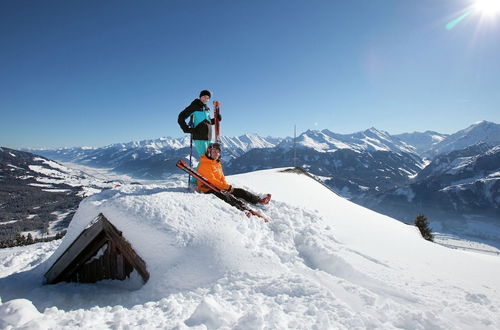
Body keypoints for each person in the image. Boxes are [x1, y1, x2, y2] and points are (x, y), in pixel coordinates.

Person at [197, 142, 272, 206]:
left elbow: (221, 177)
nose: (216, 154)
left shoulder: (216, 163)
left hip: (219, 187)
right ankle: (242, 208)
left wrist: (225, 187)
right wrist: (226, 188)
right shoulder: (205, 164)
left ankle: (257, 200)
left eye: (217, 152)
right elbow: (212, 181)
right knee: (227, 198)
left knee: (240, 191)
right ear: (209, 152)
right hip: (208, 188)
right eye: (214, 152)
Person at [178, 90, 221, 158]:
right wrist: (186, 129)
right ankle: (200, 169)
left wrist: (216, 120)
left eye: (207, 98)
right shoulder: (194, 107)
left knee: (208, 158)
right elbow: (181, 116)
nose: (205, 99)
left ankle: (202, 169)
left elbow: (207, 122)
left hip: (208, 138)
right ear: (200, 97)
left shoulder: (206, 109)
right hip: (199, 138)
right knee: (204, 159)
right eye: (204, 97)